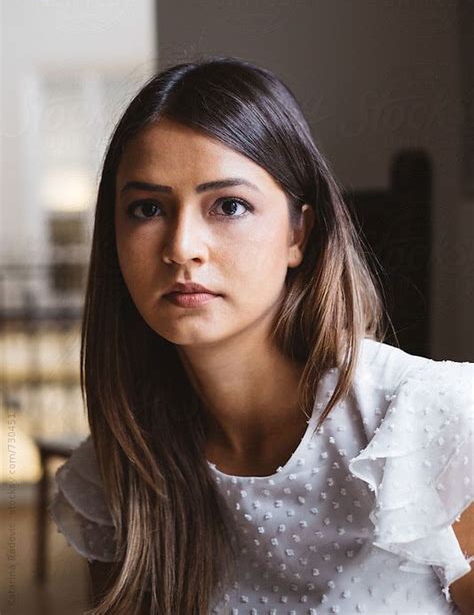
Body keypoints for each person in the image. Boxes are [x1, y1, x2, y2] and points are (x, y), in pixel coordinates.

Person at [49, 55, 474, 615]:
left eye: (229, 205)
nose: (182, 247)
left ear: (299, 232)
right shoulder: (118, 472)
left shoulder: (434, 424)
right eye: (147, 208)